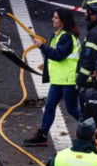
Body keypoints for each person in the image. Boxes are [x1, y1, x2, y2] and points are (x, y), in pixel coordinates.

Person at [25, 8, 82, 146]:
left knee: (72, 109)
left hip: (68, 80)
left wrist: (41, 46)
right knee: (50, 106)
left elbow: (58, 55)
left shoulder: (67, 37)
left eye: (56, 17)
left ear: (63, 21)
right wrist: (45, 64)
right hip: (59, 79)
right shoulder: (58, 35)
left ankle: (93, 130)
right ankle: (43, 135)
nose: (53, 19)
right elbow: (56, 56)